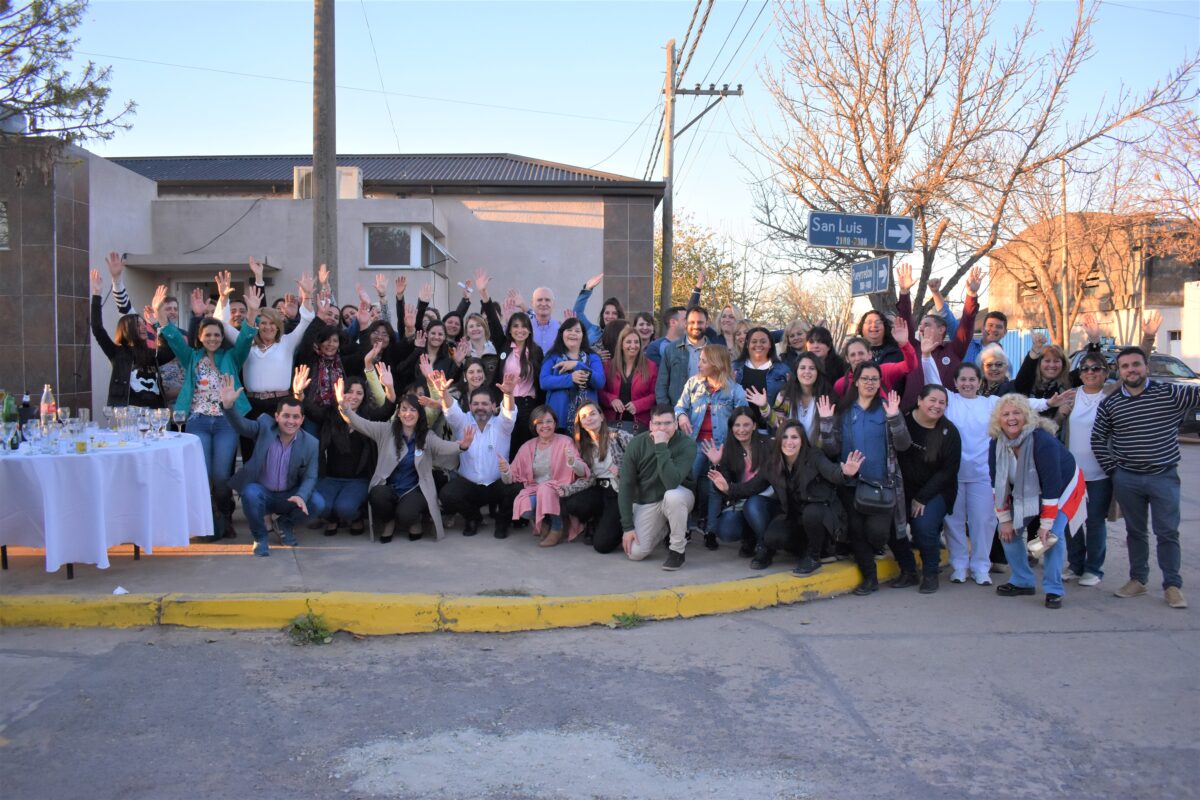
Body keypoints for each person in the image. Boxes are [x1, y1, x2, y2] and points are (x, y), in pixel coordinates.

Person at [1092, 346, 1200, 609]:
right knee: (1135, 532)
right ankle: (1138, 580)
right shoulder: (1112, 403)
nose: (1131, 370)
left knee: (1167, 532)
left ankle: (1172, 585)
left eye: (1136, 364)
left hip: (1163, 476)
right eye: (1126, 366)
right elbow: (1097, 438)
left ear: (1146, 367)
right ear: (1120, 371)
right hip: (1127, 477)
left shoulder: (1170, 393)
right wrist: (1114, 470)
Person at [154, 287, 258, 539]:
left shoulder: (231, 357)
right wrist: (159, 312)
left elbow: (245, 339)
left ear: (222, 338)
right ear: (200, 337)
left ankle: (225, 516)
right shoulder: (191, 357)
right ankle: (206, 520)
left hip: (225, 423)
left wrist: (252, 312)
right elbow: (172, 336)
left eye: (217, 335)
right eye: (208, 335)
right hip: (197, 422)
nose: (213, 338)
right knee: (202, 474)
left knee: (222, 476)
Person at [716, 419, 863, 574]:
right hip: (794, 516)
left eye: (794, 437)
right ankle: (806, 549)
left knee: (811, 512)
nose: (789, 442)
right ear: (779, 440)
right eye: (785, 437)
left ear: (802, 441)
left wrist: (845, 472)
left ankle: (814, 557)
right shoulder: (773, 464)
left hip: (822, 514)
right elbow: (751, 487)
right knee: (773, 538)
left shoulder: (814, 456)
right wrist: (728, 489)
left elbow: (832, 472)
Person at [818, 365, 914, 596]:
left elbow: (903, 445)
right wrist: (826, 422)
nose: (870, 383)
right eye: (865, 379)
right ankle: (869, 578)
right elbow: (832, 449)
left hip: (883, 483)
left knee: (886, 531)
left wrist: (894, 417)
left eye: (874, 379)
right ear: (856, 381)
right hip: (852, 484)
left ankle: (910, 571)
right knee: (857, 531)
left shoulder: (886, 409)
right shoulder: (844, 412)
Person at [989, 394, 1087, 609]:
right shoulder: (996, 443)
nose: (1011, 418)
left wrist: (1046, 524)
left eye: (1017, 413)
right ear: (998, 419)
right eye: (1005, 414)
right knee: (1006, 531)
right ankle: (1022, 580)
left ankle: (1054, 589)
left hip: (1063, 488)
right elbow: (997, 483)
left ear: (1028, 416)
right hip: (1028, 491)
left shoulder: (1043, 442)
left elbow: (1052, 486)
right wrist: (1004, 519)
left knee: (1051, 536)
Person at [218, 376, 325, 557]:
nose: (290, 421)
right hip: (262, 493)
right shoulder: (264, 427)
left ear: (302, 419)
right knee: (250, 492)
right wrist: (228, 407)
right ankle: (260, 537)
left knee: (317, 502)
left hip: (288, 495)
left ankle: (284, 524)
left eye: (296, 417)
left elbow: (311, 476)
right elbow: (242, 426)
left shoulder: (311, 443)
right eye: (286, 416)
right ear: (276, 416)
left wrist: (301, 495)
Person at [341, 390, 462, 543]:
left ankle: (414, 520)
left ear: (419, 414)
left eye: (413, 410)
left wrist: (461, 446)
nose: (408, 414)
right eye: (404, 409)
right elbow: (359, 424)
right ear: (398, 413)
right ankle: (389, 521)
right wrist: (346, 409)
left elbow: (443, 447)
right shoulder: (385, 430)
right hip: (390, 488)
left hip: (414, 489)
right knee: (377, 495)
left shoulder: (426, 436)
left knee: (406, 515)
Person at [434, 369, 521, 539]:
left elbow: (509, 414)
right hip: (470, 485)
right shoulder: (463, 421)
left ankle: (502, 522)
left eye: (484, 403)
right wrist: (443, 392)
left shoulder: (502, 425)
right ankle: (473, 518)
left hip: (497, 484)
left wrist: (509, 394)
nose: (480, 407)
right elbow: (451, 410)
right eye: (475, 404)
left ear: (494, 406)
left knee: (517, 489)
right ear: (470, 405)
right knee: (448, 494)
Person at [674, 345, 748, 542]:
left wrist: (729, 446)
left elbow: (742, 419)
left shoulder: (734, 390)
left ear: (716, 363)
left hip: (720, 445)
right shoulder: (693, 384)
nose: (699, 364)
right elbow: (680, 405)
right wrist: (681, 416)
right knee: (687, 484)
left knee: (715, 487)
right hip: (695, 443)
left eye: (704, 361)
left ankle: (711, 531)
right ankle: (684, 528)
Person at [1059, 350, 1118, 586]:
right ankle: (1075, 565)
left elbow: (1133, 372)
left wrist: (1147, 339)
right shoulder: (1072, 395)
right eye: (1085, 369)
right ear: (1080, 374)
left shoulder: (1110, 394)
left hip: (1100, 473)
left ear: (1105, 373)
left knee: (1094, 521)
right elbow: (1055, 425)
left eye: (1096, 368)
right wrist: (1060, 415)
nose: (1090, 372)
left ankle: (1094, 569)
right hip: (1072, 473)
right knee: (1070, 521)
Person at [897, 385, 962, 593]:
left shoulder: (949, 432)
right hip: (904, 488)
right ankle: (908, 571)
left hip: (937, 490)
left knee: (923, 525)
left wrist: (922, 498)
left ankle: (930, 573)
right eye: (932, 400)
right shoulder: (903, 420)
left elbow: (948, 471)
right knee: (891, 524)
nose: (937, 406)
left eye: (942, 402)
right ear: (919, 400)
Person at [619, 405, 698, 570]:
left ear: (676, 424)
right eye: (658, 423)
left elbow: (671, 483)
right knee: (635, 553)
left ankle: (677, 550)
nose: (662, 428)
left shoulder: (687, 444)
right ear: (650, 425)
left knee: (673, 496)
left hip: (679, 495)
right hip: (649, 500)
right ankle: (664, 528)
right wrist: (628, 527)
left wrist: (661, 446)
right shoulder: (637, 443)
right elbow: (626, 485)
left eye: (668, 423)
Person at [500, 406, 589, 547]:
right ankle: (546, 521)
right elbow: (511, 478)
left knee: (546, 489)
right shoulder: (527, 446)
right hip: (536, 489)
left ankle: (557, 528)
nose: (545, 426)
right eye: (540, 422)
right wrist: (505, 471)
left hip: (561, 487)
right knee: (524, 506)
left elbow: (582, 472)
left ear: (555, 423)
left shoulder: (565, 441)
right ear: (534, 425)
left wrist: (572, 462)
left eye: (549, 421)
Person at [896, 264, 982, 409]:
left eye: (927, 324)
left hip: (944, 414)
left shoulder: (954, 350)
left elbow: (966, 325)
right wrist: (904, 292)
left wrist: (971, 296)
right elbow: (905, 322)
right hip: (911, 415)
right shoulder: (913, 347)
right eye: (921, 325)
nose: (921, 328)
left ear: (942, 329)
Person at [560, 402, 635, 554]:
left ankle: (617, 524)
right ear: (580, 423)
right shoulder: (583, 445)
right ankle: (597, 519)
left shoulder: (620, 436)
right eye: (584, 417)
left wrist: (622, 471)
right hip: (598, 489)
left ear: (601, 416)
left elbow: (642, 463)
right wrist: (567, 489)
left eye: (593, 414)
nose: (589, 418)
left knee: (601, 545)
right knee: (572, 503)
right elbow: (589, 478)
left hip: (618, 492)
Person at [90, 271, 171, 409]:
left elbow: (169, 351)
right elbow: (98, 329)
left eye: (143, 324)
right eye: (138, 325)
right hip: (129, 413)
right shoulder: (117, 352)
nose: (144, 327)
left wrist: (157, 324)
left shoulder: (152, 354)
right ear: (127, 329)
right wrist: (97, 295)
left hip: (156, 413)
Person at [704, 408, 777, 559]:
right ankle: (750, 537)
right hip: (742, 500)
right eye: (737, 425)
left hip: (768, 500)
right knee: (726, 531)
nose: (741, 430)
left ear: (755, 426)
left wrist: (731, 490)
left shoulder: (768, 445)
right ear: (731, 427)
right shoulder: (729, 448)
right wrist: (716, 465)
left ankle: (765, 546)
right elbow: (722, 486)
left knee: (753, 504)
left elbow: (760, 483)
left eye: (746, 425)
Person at [489, 309, 543, 456]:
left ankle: (526, 478)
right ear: (510, 330)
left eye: (524, 326)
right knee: (508, 444)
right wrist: (484, 295)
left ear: (530, 330)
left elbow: (540, 381)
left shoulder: (536, 351)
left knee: (527, 446)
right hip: (508, 404)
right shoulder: (504, 347)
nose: (520, 330)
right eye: (516, 326)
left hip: (528, 405)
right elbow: (493, 325)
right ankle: (510, 477)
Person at [539, 317, 605, 435]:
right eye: (569, 330)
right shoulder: (553, 356)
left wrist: (577, 364)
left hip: (586, 418)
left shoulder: (592, 357)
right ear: (562, 334)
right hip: (559, 418)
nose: (573, 333)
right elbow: (544, 381)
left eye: (577, 331)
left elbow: (600, 381)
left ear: (583, 336)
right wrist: (570, 379)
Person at [833, 317, 915, 397]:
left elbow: (910, 366)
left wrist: (904, 344)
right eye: (852, 355)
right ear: (847, 359)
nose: (857, 358)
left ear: (869, 354)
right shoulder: (840, 385)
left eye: (861, 353)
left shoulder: (884, 371)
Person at [766, 351, 837, 443]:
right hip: (790, 449)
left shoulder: (826, 399)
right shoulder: (785, 395)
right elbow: (778, 425)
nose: (807, 372)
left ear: (818, 372)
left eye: (812, 368)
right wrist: (764, 407)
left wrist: (826, 422)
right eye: (802, 368)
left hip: (816, 453)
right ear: (796, 371)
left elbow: (830, 442)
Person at [599, 324, 658, 433]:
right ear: (621, 345)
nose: (633, 345)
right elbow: (600, 391)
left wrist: (639, 405)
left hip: (640, 424)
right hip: (612, 424)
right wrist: (611, 399)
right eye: (628, 342)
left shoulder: (651, 366)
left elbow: (655, 395)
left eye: (636, 342)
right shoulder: (608, 366)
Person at [733, 327, 791, 432]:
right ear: (747, 345)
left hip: (771, 431)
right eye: (754, 341)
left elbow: (788, 405)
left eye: (763, 341)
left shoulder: (783, 370)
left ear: (770, 345)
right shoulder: (734, 368)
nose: (758, 345)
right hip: (739, 431)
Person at [656, 305, 711, 406]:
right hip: (677, 411)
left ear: (707, 324)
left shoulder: (716, 351)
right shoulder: (671, 349)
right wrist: (668, 412)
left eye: (700, 322)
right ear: (685, 323)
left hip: (707, 412)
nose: (696, 326)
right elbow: (661, 385)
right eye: (692, 322)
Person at [1012, 333, 1071, 422]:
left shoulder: (1068, 381)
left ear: (1063, 364)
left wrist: (1094, 342)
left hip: (1054, 433)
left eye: (1056, 361)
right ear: (1039, 364)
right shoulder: (1028, 382)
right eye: (1047, 361)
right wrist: (1035, 349)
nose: (1052, 365)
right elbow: (1022, 376)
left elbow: (1091, 371)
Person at [572, 273, 625, 347]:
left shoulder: (625, 335)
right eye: (607, 313)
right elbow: (577, 313)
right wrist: (587, 289)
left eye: (614, 313)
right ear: (602, 315)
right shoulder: (593, 330)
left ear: (619, 316)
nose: (610, 316)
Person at [529, 286, 560, 354]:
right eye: (539, 300)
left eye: (547, 300)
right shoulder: (526, 327)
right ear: (532, 303)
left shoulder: (560, 328)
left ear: (553, 304)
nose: (543, 304)